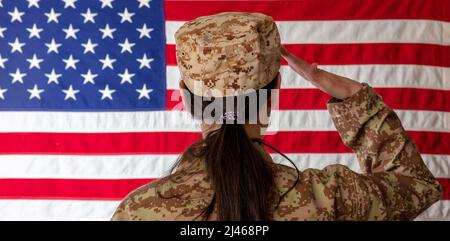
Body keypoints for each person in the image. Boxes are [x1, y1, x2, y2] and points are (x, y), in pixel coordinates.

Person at [111, 12, 442, 221]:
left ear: (184, 96)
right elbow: (416, 186)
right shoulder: (328, 198)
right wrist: (354, 99)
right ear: (276, 88)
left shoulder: (137, 211)